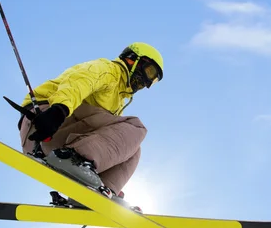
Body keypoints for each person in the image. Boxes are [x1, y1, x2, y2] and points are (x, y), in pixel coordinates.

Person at [17, 42, 163, 206]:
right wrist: (59, 110)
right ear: (133, 60)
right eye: (150, 72)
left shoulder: (118, 100)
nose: (148, 83)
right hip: (45, 121)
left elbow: (110, 144)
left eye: (154, 80)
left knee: (133, 148)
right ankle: (73, 158)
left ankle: (102, 192)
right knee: (136, 127)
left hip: (59, 138)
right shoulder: (110, 70)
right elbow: (79, 82)